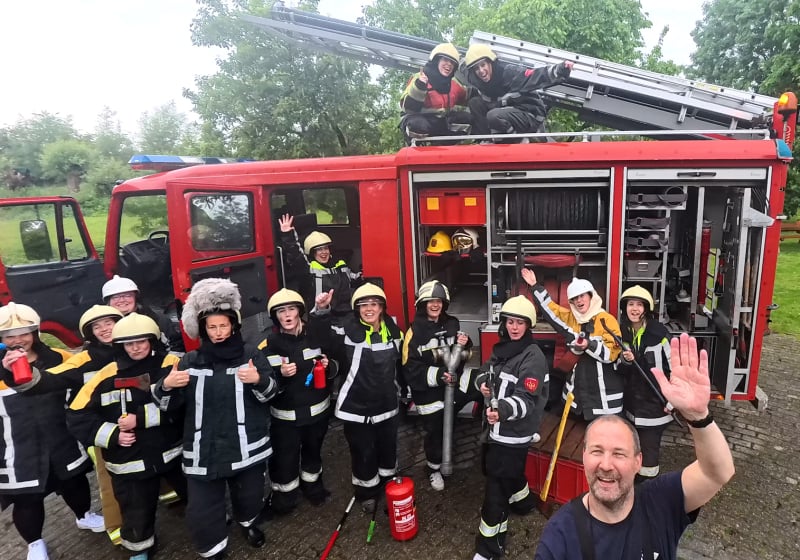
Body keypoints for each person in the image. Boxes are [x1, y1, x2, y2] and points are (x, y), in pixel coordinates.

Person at [534, 333, 736, 560]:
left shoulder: (661, 502)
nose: (606, 465)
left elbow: (717, 473)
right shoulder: (561, 534)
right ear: (584, 456)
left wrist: (698, 416)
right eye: (597, 451)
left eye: (619, 453)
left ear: (638, 461)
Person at [152, 278, 276, 560]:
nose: (219, 332)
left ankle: (248, 523)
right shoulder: (189, 362)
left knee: (249, 496)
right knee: (203, 511)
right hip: (204, 451)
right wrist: (166, 386)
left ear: (233, 326)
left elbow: (270, 395)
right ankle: (214, 549)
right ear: (204, 330)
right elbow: (165, 405)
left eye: (223, 326)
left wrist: (258, 380)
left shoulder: (250, 355)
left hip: (246, 447)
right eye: (212, 327)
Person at [2, 304, 125, 544]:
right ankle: (35, 544)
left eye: (25, 333)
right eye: (10, 336)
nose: (19, 340)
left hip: (62, 438)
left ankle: (83, 515)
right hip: (16, 446)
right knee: (27, 499)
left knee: (74, 482)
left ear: (35, 333)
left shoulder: (61, 357)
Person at [67, 313, 187, 560]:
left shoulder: (171, 364)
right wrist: (112, 435)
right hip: (129, 461)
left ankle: (211, 524)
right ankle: (139, 548)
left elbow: (186, 403)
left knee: (197, 494)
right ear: (120, 345)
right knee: (136, 510)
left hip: (173, 452)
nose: (136, 347)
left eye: (142, 341)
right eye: (129, 343)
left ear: (152, 340)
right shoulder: (106, 375)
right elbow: (77, 415)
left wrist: (139, 419)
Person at [312, 284, 403, 513]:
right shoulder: (346, 330)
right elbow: (321, 337)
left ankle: (388, 484)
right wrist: (321, 311)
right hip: (356, 406)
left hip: (387, 404)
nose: (369, 309)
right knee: (363, 451)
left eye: (374, 304)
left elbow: (401, 366)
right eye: (363, 305)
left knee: (387, 449)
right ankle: (367, 492)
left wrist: (405, 392)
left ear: (382, 308)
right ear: (357, 309)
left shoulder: (394, 332)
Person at [472, 295, 549, 560]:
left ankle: (489, 545)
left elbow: (526, 400)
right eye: (510, 322)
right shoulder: (502, 348)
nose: (514, 327)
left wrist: (501, 411)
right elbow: (484, 370)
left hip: (513, 434)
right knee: (506, 474)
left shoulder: (533, 358)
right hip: (494, 430)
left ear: (529, 326)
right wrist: (482, 383)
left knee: (496, 488)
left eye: (520, 323)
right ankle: (524, 502)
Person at [259, 288, 332, 514]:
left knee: (313, 453)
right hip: (285, 422)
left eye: (291, 309)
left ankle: (313, 488)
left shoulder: (316, 337)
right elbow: (262, 385)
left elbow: (337, 363)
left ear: (300, 312)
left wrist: (330, 367)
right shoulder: (266, 346)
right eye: (281, 311)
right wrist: (280, 375)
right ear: (275, 316)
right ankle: (283, 498)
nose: (287, 315)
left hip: (317, 415)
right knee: (284, 460)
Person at [401, 280, 478, 491]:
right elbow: (410, 368)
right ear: (422, 304)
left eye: (439, 301)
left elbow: (462, 356)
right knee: (435, 432)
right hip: (428, 393)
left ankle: (486, 439)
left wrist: (466, 343)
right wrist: (439, 376)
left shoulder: (452, 323)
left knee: (482, 384)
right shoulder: (414, 332)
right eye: (430, 301)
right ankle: (433, 468)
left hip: (451, 386)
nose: (435, 305)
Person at [522, 268, 623, 420]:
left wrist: (588, 345)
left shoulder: (607, 320)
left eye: (582, 296)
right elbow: (552, 310)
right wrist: (536, 286)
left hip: (603, 402)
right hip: (577, 400)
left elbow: (611, 355)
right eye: (575, 298)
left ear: (591, 296)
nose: (579, 301)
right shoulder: (571, 318)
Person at [618, 285, 673, 483]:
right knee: (633, 451)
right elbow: (619, 368)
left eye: (639, 305)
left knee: (649, 460)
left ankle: (648, 492)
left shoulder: (659, 335)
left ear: (646, 309)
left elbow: (674, 368)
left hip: (654, 408)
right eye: (630, 304)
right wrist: (625, 361)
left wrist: (672, 401)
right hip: (632, 406)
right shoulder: (622, 332)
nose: (634, 309)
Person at [463, 44, 572, 142]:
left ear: (491, 62)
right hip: (505, 113)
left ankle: (516, 140)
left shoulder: (508, 73)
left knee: (493, 115)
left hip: (529, 113)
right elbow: (459, 65)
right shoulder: (475, 79)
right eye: (476, 68)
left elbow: (534, 76)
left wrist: (559, 70)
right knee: (474, 103)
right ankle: (486, 140)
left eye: (483, 65)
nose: (481, 71)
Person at [277, 213, 363, 320]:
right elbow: (295, 255)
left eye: (326, 248)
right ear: (313, 252)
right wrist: (288, 235)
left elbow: (353, 278)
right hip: (321, 317)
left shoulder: (340, 264)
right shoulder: (309, 269)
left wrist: (364, 274)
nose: (324, 252)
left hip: (347, 315)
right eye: (319, 249)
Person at [399, 42, 471, 144]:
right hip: (418, 119)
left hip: (441, 122)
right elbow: (408, 107)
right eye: (445, 60)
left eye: (452, 62)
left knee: (468, 118)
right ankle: (418, 146)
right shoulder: (419, 78)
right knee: (417, 124)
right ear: (436, 60)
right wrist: (420, 86)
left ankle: (446, 144)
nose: (449, 64)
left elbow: (467, 98)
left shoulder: (453, 85)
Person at [102, 275, 184, 353]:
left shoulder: (156, 319)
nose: (122, 300)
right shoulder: (103, 326)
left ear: (136, 298)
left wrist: (168, 365)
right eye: (115, 297)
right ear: (108, 302)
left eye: (127, 295)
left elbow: (177, 346)